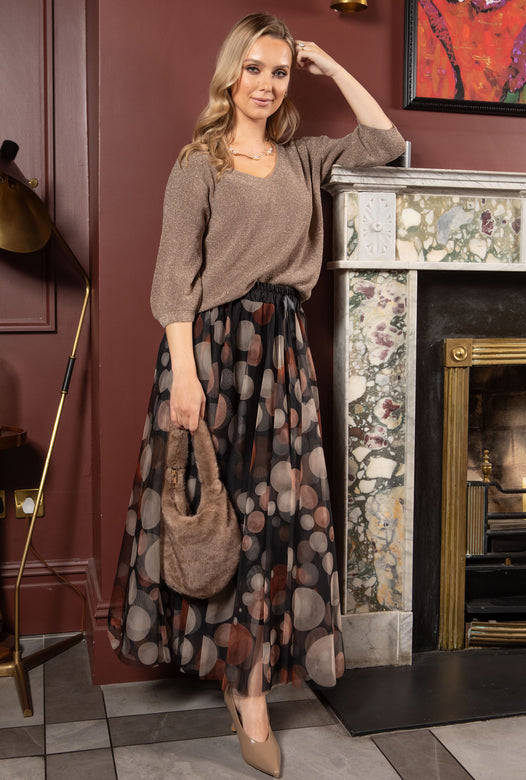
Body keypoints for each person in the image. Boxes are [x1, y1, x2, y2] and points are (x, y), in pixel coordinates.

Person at [108, 12, 405, 778]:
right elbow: (173, 280)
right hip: (211, 356)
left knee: (279, 520)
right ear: (230, 75)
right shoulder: (197, 162)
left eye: (279, 71)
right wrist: (185, 377)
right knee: (221, 519)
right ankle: (245, 696)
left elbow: (385, 145)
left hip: (284, 358)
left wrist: (331, 65)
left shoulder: (305, 158)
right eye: (255, 69)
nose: (268, 85)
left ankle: (248, 677)